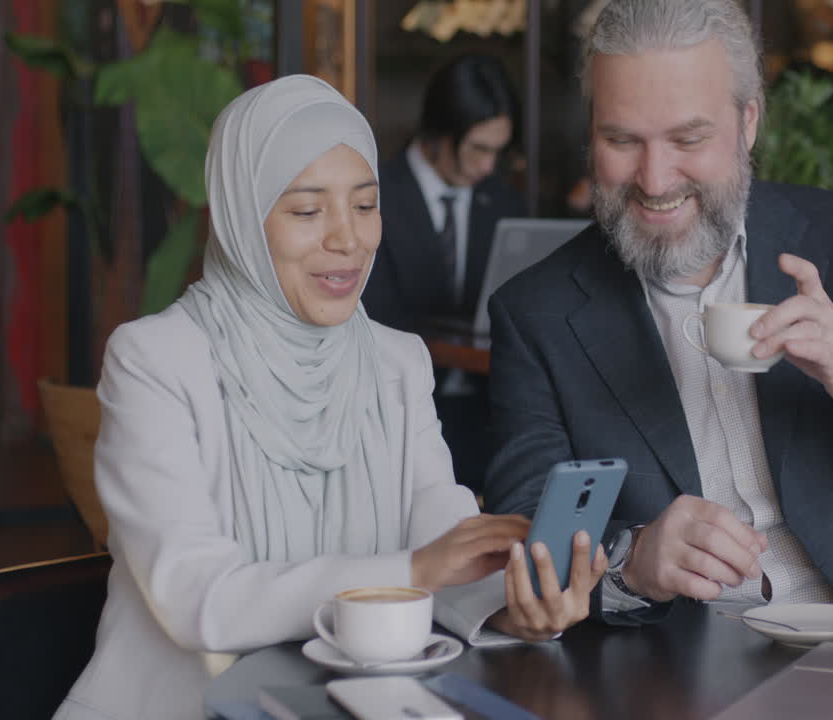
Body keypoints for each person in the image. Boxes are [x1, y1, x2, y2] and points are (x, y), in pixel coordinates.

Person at [483, 0, 833, 632]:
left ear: (747, 123)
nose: (654, 177)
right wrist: (631, 560)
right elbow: (524, 545)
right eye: (621, 140)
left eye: (688, 138)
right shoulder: (537, 311)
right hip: (675, 681)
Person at [54, 75, 602, 720]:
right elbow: (195, 597)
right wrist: (415, 568)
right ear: (239, 217)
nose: (348, 238)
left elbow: (443, 534)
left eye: (365, 205)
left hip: (363, 704)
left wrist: (514, 603)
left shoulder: (397, 362)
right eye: (308, 211)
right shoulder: (156, 360)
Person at [361, 53, 525, 494]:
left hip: (489, 415)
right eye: (478, 149)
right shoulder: (372, 197)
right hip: (398, 416)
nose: (489, 166)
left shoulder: (504, 203)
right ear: (437, 134)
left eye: (498, 150)